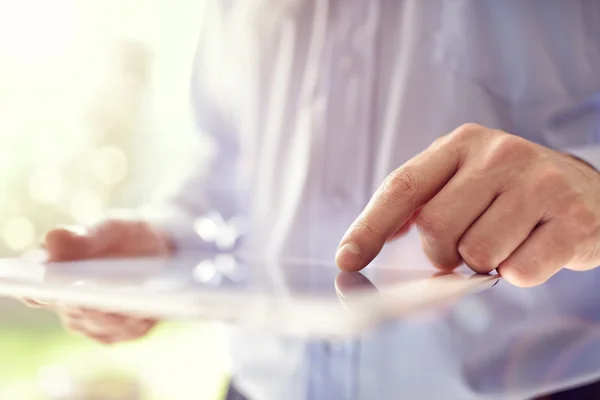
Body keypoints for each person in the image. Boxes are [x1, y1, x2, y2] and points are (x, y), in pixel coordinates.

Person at [27, 1, 600, 399]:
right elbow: (225, 156)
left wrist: (589, 180)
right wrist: (165, 239)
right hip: (258, 387)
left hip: (541, 385)